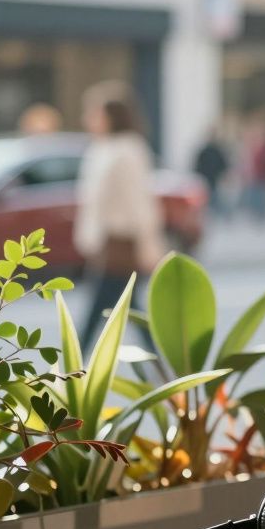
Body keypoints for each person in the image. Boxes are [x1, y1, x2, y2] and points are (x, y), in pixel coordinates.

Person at [74, 81, 164, 350]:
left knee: (102, 310)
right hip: (105, 244)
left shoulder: (129, 149)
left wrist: (150, 247)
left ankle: (71, 368)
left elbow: (140, 203)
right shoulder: (100, 149)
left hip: (121, 243)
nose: (88, 119)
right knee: (127, 310)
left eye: (94, 112)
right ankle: (163, 365)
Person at [193, 123, 231, 218]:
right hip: (205, 181)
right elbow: (197, 165)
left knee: (215, 202)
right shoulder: (204, 151)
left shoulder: (218, 150)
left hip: (214, 180)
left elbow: (224, 165)